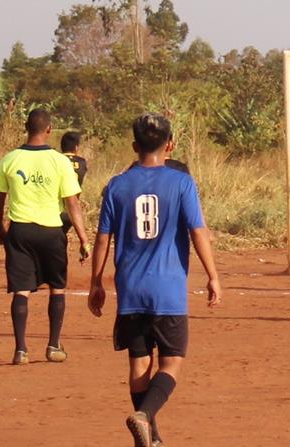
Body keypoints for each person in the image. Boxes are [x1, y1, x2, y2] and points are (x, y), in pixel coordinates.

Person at [87, 113, 221, 447]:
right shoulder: (181, 182)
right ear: (170, 145)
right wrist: (213, 276)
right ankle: (144, 417)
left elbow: (103, 238)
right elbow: (197, 231)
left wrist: (96, 282)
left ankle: (152, 438)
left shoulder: (117, 185)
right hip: (168, 291)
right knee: (172, 363)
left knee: (139, 364)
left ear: (134, 146)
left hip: (130, 290)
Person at [0, 108, 90, 365]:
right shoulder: (60, 162)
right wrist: (83, 239)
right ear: (49, 130)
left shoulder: (10, 159)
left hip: (20, 230)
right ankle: (54, 345)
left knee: (21, 290)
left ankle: (21, 349)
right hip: (51, 231)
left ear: (26, 127)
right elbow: (72, 204)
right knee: (57, 288)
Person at [59, 131, 87, 234]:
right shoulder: (82, 162)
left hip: (57, 210)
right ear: (76, 147)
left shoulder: (56, 160)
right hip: (72, 211)